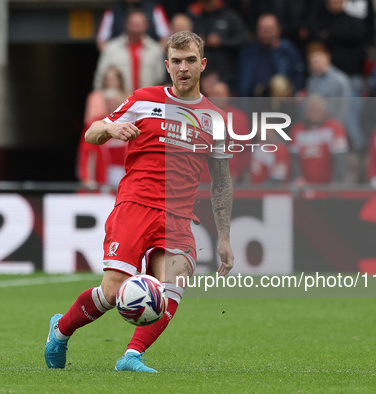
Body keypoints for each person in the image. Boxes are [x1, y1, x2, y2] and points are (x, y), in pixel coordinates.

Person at [45, 31, 234, 372]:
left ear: (202, 64)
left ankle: (131, 356)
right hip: (135, 204)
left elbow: (221, 182)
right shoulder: (144, 100)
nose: (183, 67)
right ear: (167, 65)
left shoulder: (215, 120)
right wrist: (111, 130)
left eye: (190, 60)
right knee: (113, 292)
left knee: (172, 285)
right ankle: (60, 330)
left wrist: (224, 236)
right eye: (176, 61)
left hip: (177, 216)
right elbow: (92, 133)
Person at [93, 10, 166, 93]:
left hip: (147, 101)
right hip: (118, 101)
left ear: (146, 26)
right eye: (133, 24)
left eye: (139, 25)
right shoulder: (111, 49)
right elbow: (100, 77)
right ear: (126, 24)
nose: (136, 28)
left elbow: (160, 79)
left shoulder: (155, 50)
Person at [238, 14, 304, 97]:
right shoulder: (248, 53)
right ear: (257, 31)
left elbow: (298, 79)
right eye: (262, 29)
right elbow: (242, 83)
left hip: (282, 105)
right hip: (252, 104)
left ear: (278, 29)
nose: (266, 32)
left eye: (269, 28)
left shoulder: (289, 51)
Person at [289, 94, 348, 184]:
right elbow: (293, 159)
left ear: (325, 112)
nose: (314, 113)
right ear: (305, 112)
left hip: (328, 186)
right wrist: (298, 178)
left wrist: (336, 183)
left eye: (318, 110)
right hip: (304, 187)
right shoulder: (297, 130)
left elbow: (340, 159)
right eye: (311, 110)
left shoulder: (335, 127)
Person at [96, 0, 171, 51]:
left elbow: (166, 37)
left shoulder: (155, 9)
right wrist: (114, 55)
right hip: (120, 58)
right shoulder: (112, 11)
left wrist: (154, 53)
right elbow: (101, 40)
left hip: (148, 55)